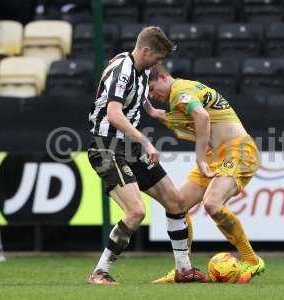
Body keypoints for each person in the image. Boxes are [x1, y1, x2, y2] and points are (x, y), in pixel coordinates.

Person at [87, 26, 208, 285]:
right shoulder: (122, 70)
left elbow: (136, 94)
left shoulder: (139, 69)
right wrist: (146, 141)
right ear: (145, 51)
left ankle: (184, 269)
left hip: (129, 148)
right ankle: (100, 271)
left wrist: (152, 111)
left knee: (177, 203)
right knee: (136, 211)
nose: (160, 63)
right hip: (106, 147)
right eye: (158, 57)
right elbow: (114, 114)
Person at [148, 65, 266, 284]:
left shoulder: (179, 92)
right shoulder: (184, 91)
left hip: (238, 150)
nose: (155, 96)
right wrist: (154, 112)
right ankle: (184, 269)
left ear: (163, 77)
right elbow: (191, 122)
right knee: (177, 204)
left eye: (153, 89)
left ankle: (251, 260)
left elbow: (202, 117)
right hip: (217, 154)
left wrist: (200, 157)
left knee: (212, 204)